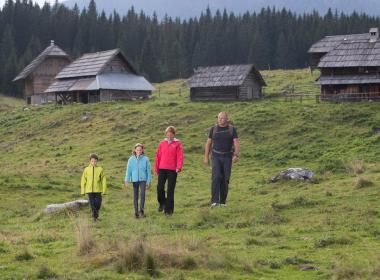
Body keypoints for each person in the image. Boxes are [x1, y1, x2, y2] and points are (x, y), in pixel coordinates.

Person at [204, 112, 240, 208]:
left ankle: (223, 202)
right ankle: (214, 201)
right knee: (216, 177)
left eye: (223, 118)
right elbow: (208, 143)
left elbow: (236, 142)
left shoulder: (232, 129)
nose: (221, 120)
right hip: (215, 156)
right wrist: (206, 157)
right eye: (219, 118)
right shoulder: (213, 129)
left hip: (227, 157)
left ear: (227, 119)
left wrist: (236, 155)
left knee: (225, 179)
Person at [154, 126, 184, 215]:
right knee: (159, 188)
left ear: (174, 134)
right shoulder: (162, 143)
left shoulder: (177, 144)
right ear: (166, 134)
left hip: (172, 170)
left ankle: (169, 211)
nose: (169, 135)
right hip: (162, 169)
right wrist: (156, 169)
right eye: (168, 133)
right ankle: (162, 203)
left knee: (170, 190)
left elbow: (180, 156)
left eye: (171, 134)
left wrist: (179, 167)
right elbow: (158, 157)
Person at [125, 143, 152, 219]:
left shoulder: (146, 159)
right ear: (135, 150)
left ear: (142, 150)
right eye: (137, 150)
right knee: (135, 196)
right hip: (135, 180)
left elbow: (148, 171)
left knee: (142, 194)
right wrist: (127, 180)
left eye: (140, 150)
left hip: (143, 179)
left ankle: (141, 211)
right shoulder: (131, 159)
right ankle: (136, 213)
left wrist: (148, 180)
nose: (139, 151)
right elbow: (128, 170)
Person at [81, 153, 107, 221]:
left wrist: (104, 190)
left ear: (97, 161)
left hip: (98, 190)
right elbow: (83, 180)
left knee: (98, 203)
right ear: (90, 161)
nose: (94, 162)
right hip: (89, 190)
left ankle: (95, 215)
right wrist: (83, 191)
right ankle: (95, 217)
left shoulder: (100, 169)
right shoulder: (86, 169)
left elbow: (103, 180)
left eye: (95, 161)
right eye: (92, 161)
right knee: (92, 205)